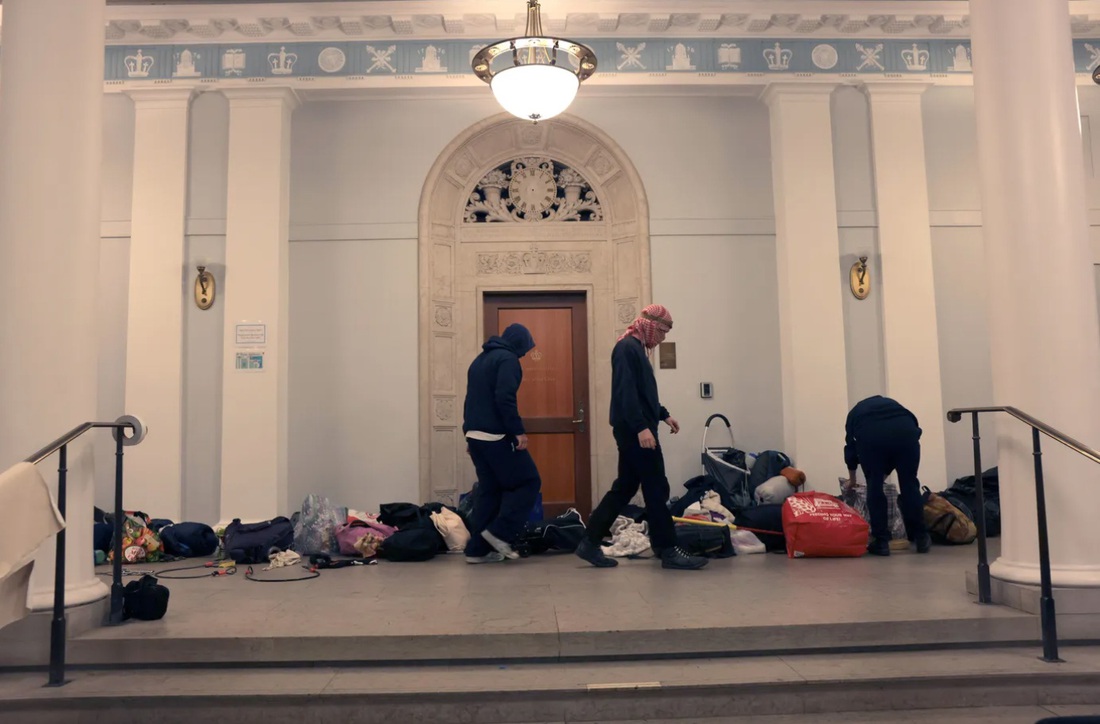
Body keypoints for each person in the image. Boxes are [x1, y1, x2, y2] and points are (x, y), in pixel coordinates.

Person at [576, 304, 708, 570]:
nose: (662, 338)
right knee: (656, 487)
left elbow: (643, 394)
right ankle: (668, 550)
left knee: (625, 487)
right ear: (650, 325)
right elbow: (626, 394)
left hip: (637, 428)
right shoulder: (626, 349)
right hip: (634, 431)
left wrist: (662, 414)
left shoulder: (636, 351)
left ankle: (589, 543)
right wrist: (641, 428)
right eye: (662, 332)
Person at [461, 323, 542, 564]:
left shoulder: (479, 359)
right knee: (529, 481)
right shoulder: (508, 360)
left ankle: (477, 550)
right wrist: (518, 431)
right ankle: (499, 534)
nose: (525, 354)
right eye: (525, 349)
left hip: (476, 435)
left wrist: (469, 433)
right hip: (496, 436)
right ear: (519, 344)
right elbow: (504, 398)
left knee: (490, 490)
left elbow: (470, 399)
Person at [842, 395, 931, 556]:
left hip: (872, 437)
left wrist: (853, 480)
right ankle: (921, 537)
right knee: (910, 484)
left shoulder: (855, 414)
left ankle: (881, 542)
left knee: (874, 486)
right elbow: (911, 425)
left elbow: (850, 451)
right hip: (906, 432)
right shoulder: (894, 406)